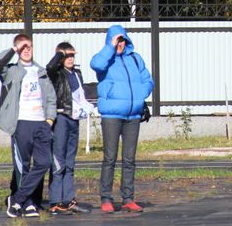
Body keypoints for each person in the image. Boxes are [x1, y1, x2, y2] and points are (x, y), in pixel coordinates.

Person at [90, 25, 154, 214]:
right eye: (117, 40)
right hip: (111, 115)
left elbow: (148, 80)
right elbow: (96, 65)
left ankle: (128, 198)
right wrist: (110, 47)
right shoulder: (105, 59)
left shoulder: (135, 58)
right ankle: (106, 198)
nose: (120, 43)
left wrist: (141, 95)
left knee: (129, 159)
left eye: (122, 39)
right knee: (110, 158)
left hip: (133, 115)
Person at [0, 34, 56, 219]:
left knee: (45, 162)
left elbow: (51, 98)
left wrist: (49, 120)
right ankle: (28, 203)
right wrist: (14, 49)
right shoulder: (12, 71)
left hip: (41, 123)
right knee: (23, 166)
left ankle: (18, 199)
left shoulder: (41, 71)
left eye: (29, 47)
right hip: (21, 123)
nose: (27, 50)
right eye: (23, 47)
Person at [46, 42, 93, 215]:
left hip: (74, 119)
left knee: (70, 161)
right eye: (67, 56)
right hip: (61, 118)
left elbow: (81, 95)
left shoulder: (77, 73)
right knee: (58, 161)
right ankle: (55, 201)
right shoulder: (56, 73)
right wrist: (60, 54)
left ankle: (68, 200)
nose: (71, 59)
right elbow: (49, 67)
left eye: (73, 55)